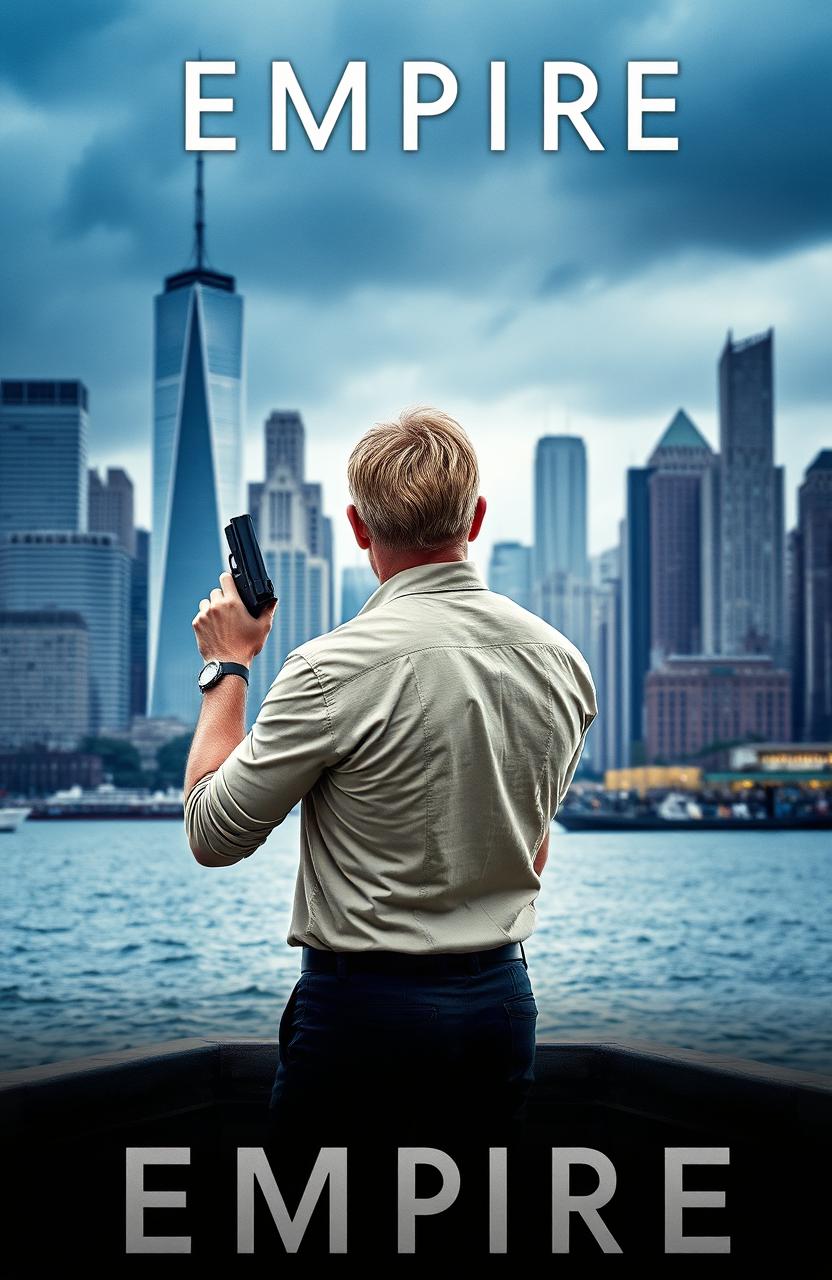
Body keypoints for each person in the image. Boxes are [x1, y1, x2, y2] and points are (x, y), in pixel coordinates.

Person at [183, 406, 596, 1171]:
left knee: (317, 1226)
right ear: (475, 516)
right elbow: (532, 851)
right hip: (502, 1007)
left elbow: (211, 832)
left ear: (358, 528)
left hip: (362, 1016)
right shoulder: (562, 661)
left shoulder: (328, 670)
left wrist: (228, 665)